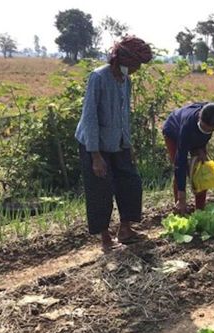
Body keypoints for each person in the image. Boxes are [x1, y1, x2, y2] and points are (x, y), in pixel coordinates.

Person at [75, 36, 153, 250]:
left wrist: (128, 144)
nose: (137, 69)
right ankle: (105, 238)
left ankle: (125, 229)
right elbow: (90, 116)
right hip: (94, 144)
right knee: (100, 189)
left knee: (131, 182)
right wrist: (95, 155)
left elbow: (123, 115)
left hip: (118, 142)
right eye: (136, 64)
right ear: (124, 60)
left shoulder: (126, 81)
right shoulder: (98, 77)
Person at [162, 102, 214, 214]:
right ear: (200, 116)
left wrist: (200, 148)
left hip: (196, 139)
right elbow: (180, 162)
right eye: (204, 127)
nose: (206, 131)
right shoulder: (188, 125)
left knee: (202, 170)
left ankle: (200, 210)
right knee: (180, 169)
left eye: (210, 130)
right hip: (174, 132)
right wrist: (182, 198)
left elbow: (203, 135)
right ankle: (179, 207)